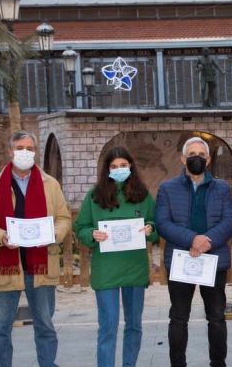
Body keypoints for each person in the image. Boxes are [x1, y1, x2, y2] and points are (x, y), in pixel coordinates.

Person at [0, 131, 73, 367]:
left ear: (35, 152)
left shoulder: (51, 184)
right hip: (6, 268)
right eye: (20, 148)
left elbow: (63, 218)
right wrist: (0, 236)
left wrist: (52, 234)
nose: (25, 153)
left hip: (41, 267)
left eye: (30, 148)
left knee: (46, 326)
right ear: (10, 151)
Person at [74, 147, 159, 367]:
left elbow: (155, 223)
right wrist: (91, 234)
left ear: (131, 166)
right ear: (106, 169)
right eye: (114, 166)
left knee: (134, 325)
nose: (119, 169)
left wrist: (150, 228)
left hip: (134, 269)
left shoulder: (143, 195)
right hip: (106, 270)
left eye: (123, 165)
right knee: (108, 326)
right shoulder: (94, 196)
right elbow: (81, 227)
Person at [156, 137, 232, 367]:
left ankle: (218, 363)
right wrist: (192, 239)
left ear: (208, 159)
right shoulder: (167, 188)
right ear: (183, 158)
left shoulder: (221, 188)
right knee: (179, 318)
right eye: (192, 154)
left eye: (201, 154)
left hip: (214, 260)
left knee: (217, 317)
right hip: (181, 259)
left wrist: (207, 242)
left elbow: (229, 219)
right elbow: (163, 222)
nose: (197, 158)